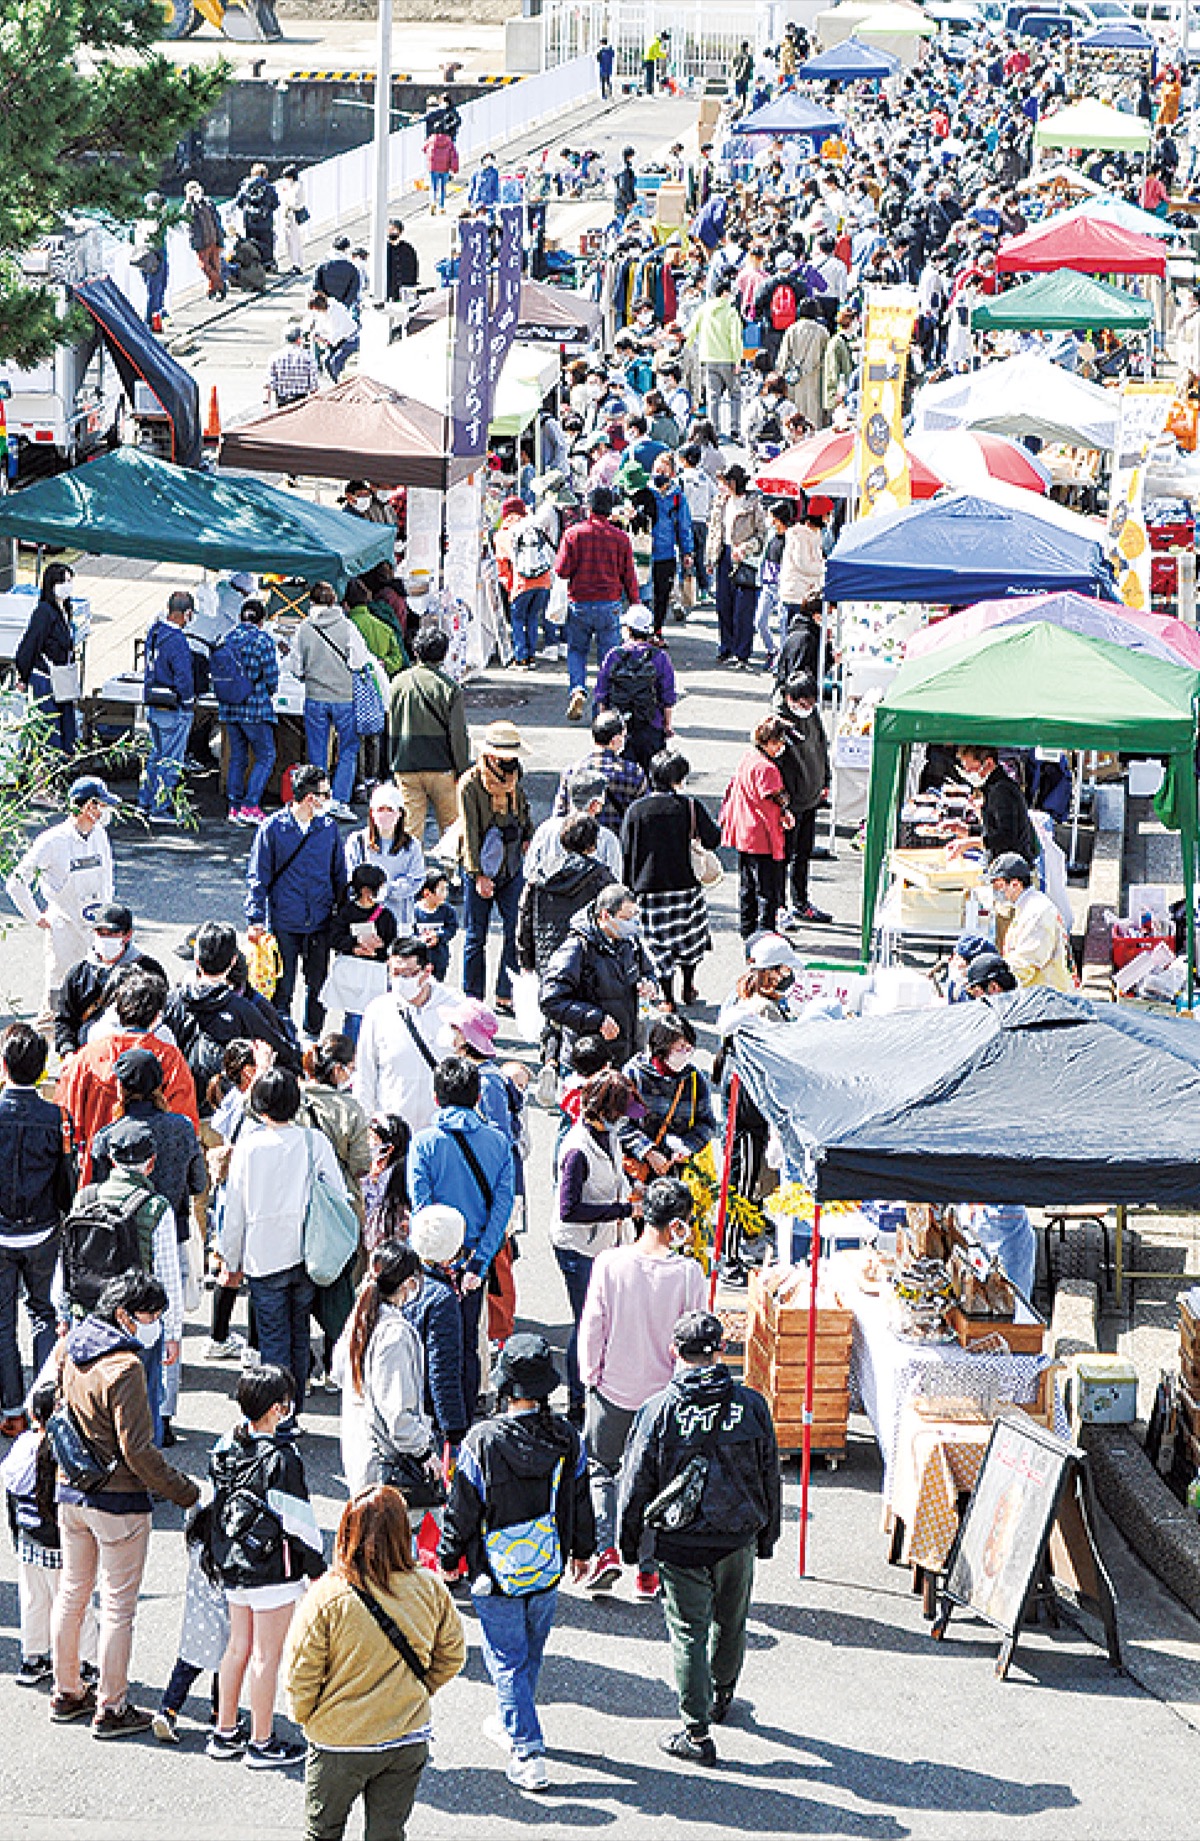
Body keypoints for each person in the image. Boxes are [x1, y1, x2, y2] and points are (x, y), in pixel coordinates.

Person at [618, 1309, 781, 1766]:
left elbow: (635, 1484)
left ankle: (696, 1729)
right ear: (722, 1351)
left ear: (675, 1352)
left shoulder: (659, 1410)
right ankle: (722, 1695)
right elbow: (770, 1474)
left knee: (688, 1631)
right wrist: (767, 1535)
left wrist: (631, 1546)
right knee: (731, 1621)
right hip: (737, 1536)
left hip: (681, 1542)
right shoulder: (750, 1406)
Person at [438, 1333, 594, 1793]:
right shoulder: (566, 1436)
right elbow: (580, 1498)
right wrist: (583, 1551)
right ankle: (514, 1718)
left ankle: (526, 1750)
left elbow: (461, 1507)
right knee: (529, 1651)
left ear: (506, 1385)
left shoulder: (482, 1441)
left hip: (493, 1569)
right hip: (547, 1563)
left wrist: (450, 1558)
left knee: (505, 1658)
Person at [50, 1269, 200, 1735]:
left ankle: (67, 1690)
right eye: (149, 1315)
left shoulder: (71, 1346)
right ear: (123, 1315)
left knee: (72, 1593)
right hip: (118, 1504)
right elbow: (138, 1450)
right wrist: (187, 1492)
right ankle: (111, 1706)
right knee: (117, 1607)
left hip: (69, 1491)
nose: (153, 1323)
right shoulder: (126, 1368)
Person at [286, 1485, 464, 1838]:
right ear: (403, 1532)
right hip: (406, 1737)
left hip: (340, 1740)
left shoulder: (328, 1595)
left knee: (322, 1832)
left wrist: (307, 1716)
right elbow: (453, 1654)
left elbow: (300, 1672)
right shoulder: (429, 1587)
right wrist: (417, 1690)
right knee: (388, 1834)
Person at [579, 1176, 706, 1597]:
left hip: (613, 1386)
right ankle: (648, 1569)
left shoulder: (609, 1263)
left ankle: (605, 1551)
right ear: (679, 1225)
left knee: (602, 1469)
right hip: (666, 1396)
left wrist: (590, 1375)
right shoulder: (689, 1273)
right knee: (658, 1479)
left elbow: (593, 1325)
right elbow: (698, 1335)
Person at [207, 1363, 325, 1767]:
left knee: (237, 1647)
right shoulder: (282, 1459)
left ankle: (224, 1731)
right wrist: (318, 1570)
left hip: (232, 1562)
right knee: (266, 1656)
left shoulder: (225, 1446)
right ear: (277, 1409)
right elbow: (300, 1525)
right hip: (272, 1568)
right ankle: (261, 1741)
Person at [219, 1067, 349, 1411]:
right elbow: (338, 1193)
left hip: (263, 1256)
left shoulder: (249, 1147)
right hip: (307, 1252)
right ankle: (294, 1409)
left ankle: (280, 1415)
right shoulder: (313, 1140)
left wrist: (229, 1258)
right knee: (299, 1334)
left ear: (260, 1106)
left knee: (274, 1340)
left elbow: (234, 1211)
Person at [90, 1059, 205, 1443]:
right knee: (167, 1322)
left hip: (116, 1246)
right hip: (169, 1228)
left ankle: (120, 1418)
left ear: (121, 1088)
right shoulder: (182, 1129)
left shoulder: (108, 1136)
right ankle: (162, 1417)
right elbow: (198, 1181)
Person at [408, 1056, 515, 1418]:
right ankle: (465, 1420)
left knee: (429, 1343)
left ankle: (431, 1417)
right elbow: (501, 1212)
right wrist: (479, 1261)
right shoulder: (499, 1143)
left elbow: (421, 1208)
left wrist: (438, 1256)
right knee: (468, 1342)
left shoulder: (423, 1143)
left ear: (436, 1098)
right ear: (477, 1097)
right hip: (474, 1263)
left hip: (432, 1264)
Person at [549, 1068, 636, 1421]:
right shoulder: (576, 1150)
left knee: (602, 1317)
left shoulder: (608, 1137)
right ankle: (577, 1398)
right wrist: (624, 1209)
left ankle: (594, 1386)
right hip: (578, 1247)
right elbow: (569, 1210)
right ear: (605, 1112)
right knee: (586, 1320)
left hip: (605, 1242)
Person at [56, 970, 200, 1183]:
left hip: (97, 1179)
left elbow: (65, 1117)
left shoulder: (88, 1057)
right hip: (156, 1181)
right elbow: (185, 1125)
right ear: (156, 1016)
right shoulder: (169, 1059)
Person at [0, 1024, 72, 1437]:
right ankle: (43, 1406)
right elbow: (65, 1178)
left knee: (3, 1320)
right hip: (43, 1230)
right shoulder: (53, 1116)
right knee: (44, 1313)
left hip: (3, 1232)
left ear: (4, 1066)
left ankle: (11, 1409)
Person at [2, 1381, 98, 1688]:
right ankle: (82, 1662)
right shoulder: (64, 1449)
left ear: (32, 1415)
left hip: (28, 1540)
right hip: (59, 1543)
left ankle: (33, 1658)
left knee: (33, 1601)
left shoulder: (21, 1446)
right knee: (73, 1604)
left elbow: (11, 1492)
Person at [245, 763, 349, 1042]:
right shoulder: (272, 829)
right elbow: (258, 876)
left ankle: (312, 1036)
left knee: (318, 985)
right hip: (285, 921)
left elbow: (339, 876)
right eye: (325, 794)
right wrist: (255, 918)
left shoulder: (328, 829)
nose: (329, 799)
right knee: (283, 986)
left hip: (320, 921)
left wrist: (344, 916)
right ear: (310, 797)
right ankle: (283, 1038)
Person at [333, 1240, 435, 1498]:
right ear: (409, 1283)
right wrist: (424, 1451)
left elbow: (338, 1371)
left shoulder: (361, 1318)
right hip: (386, 1463)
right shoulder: (394, 1334)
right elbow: (398, 1413)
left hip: (360, 1449)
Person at [164, 921, 297, 1118]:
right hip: (227, 1110)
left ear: (197, 960)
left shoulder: (172, 1001)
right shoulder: (243, 1009)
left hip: (178, 1104)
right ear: (233, 961)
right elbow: (282, 1050)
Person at [620, 751, 719, 1009]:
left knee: (657, 947)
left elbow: (627, 852)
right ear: (679, 779)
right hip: (685, 887)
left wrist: (628, 889)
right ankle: (688, 985)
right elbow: (714, 839)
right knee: (690, 941)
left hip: (649, 890)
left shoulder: (636, 810)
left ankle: (667, 997)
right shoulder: (689, 806)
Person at [540, 882, 658, 1072]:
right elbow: (551, 1000)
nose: (632, 923)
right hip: (588, 1058)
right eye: (626, 918)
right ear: (605, 915)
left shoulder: (631, 942)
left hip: (628, 1052)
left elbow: (649, 971)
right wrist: (596, 1019)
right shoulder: (577, 948)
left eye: (634, 916)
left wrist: (650, 984)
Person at [458, 719, 533, 1014]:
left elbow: (523, 810)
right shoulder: (471, 783)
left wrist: (528, 835)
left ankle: (506, 992)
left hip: (512, 864)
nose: (510, 760)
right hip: (483, 866)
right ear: (490, 755)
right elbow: (469, 831)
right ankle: (472, 997)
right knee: (476, 936)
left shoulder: (515, 775)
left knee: (515, 930)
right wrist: (478, 874)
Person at [555, 485, 641, 723]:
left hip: (580, 602)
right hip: (610, 603)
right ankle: (602, 704)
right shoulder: (621, 538)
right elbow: (629, 576)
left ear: (588, 507)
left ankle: (578, 688)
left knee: (577, 650)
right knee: (609, 656)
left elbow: (561, 570)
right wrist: (635, 604)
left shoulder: (573, 534)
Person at [354, 935, 460, 1128]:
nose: (401, 980)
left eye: (408, 973)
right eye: (395, 973)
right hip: (392, 1127)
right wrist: (365, 1121)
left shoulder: (455, 1007)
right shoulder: (378, 1011)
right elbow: (365, 1072)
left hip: (440, 1128)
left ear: (427, 971)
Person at [289, 582, 369, 823]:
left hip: (315, 697)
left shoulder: (304, 628)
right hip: (344, 698)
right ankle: (340, 800)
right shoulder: (347, 627)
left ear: (311, 602)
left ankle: (317, 798)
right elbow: (358, 661)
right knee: (348, 749)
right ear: (335, 601)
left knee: (317, 750)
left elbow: (295, 666)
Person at [388, 626, 471, 843]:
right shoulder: (449, 688)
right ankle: (453, 874)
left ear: (415, 652)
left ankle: (410, 870)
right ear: (443, 654)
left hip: (406, 763)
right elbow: (458, 733)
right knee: (452, 830)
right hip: (441, 766)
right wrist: (462, 768)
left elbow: (390, 723)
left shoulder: (398, 683)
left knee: (410, 828)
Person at [55, 904, 162, 1058]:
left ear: (128, 935)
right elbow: (65, 1020)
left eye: (112, 933)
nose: (105, 939)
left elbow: (161, 1016)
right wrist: (68, 1052)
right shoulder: (78, 975)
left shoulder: (149, 971)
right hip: (88, 1057)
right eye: (100, 932)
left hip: (137, 1057)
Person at [722, 717, 793, 940]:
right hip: (762, 833)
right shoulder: (766, 768)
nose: (781, 746)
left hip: (745, 831)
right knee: (767, 890)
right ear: (770, 741)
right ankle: (765, 933)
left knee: (747, 887)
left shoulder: (748, 758)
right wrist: (786, 811)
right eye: (779, 742)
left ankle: (747, 930)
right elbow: (776, 796)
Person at [215, 595, 280, 827]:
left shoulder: (227, 638)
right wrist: (268, 691)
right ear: (262, 620)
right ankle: (251, 805)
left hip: (229, 707)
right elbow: (272, 677)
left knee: (237, 758)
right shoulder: (263, 641)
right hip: (255, 708)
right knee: (266, 756)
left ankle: (234, 806)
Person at [774, 671, 832, 928]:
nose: (807, 709)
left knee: (803, 853)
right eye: (803, 703)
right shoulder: (778, 723)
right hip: (790, 801)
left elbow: (821, 745)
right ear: (789, 698)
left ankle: (801, 901)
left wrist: (826, 780)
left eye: (811, 704)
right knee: (783, 856)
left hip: (812, 795)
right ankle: (780, 906)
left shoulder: (812, 716)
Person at [594, 606, 677, 776]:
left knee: (619, 776)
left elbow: (602, 693)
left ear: (627, 629)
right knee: (651, 776)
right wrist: (667, 725)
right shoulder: (660, 657)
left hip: (619, 728)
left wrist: (605, 723)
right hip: (651, 725)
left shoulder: (613, 655)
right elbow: (667, 697)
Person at [139, 590, 197, 824]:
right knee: (171, 760)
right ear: (187, 614)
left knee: (155, 757)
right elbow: (183, 675)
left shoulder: (155, 632)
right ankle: (160, 807)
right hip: (173, 707)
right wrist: (189, 700)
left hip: (154, 701)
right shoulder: (177, 640)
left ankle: (146, 801)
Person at [324, 865, 397, 1041]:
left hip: (373, 972)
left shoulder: (386, 916)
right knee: (355, 1017)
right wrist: (355, 945)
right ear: (366, 891)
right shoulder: (346, 912)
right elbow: (334, 938)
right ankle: (352, 1054)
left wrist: (378, 949)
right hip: (354, 973)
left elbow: (391, 942)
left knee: (370, 1017)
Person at [15, 561, 80, 755]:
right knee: (49, 732)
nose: (68, 586)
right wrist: (24, 677)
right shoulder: (44, 612)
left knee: (66, 730)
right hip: (46, 680)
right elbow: (29, 646)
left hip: (61, 680)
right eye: (64, 581)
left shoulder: (65, 612)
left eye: (70, 581)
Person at [988, 854, 1075, 991]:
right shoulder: (1026, 906)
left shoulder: (1037, 912)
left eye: (999, 886)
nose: (996, 891)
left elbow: (1027, 962)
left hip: (1048, 996)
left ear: (1015, 884)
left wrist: (999, 984)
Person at [709, 465, 767, 668]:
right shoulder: (720, 503)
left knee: (743, 606)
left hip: (745, 559)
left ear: (733, 483)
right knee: (723, 604)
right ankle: (726, 647)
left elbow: (762, 535)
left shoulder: (754, 505)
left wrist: (746, 547)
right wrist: (710, 557)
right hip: (723, 554)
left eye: (725, 482)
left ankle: (742, 651)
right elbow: (714, 530)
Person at [553, 710, 648, 834]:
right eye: (623, 736)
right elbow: (643, 815)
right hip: (617, 844)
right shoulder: (633, 773)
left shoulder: (572, 772)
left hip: (579, 843)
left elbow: (559, 815)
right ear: (615, 740)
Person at [347, 784, 425, 932]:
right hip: (365, 920)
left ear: (400, 813)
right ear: (371, 813)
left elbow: (416, 879)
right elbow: (351, 876)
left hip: (400, 922)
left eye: (390, 810)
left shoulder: (412, 845)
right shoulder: (357, 841)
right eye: (380, 809)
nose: (385, 814)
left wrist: (388, 889)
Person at [948, 746, 1040, 867]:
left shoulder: (1002, 791)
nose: (968, 774)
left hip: (1012, 868)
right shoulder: (992, 788)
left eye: (971, 769)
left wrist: (969, 843)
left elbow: (1006, 837)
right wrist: (966, 830)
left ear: (989, 763)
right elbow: (993, 830)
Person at [684, 280, 744, 439]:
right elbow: (735, 338)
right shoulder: (731, 312)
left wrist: (686, 348)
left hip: (708, 358)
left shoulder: (703, 309)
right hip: (728, 359)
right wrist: (738, 360)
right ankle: (735, 428)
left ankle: (714, 430)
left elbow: (691, 331)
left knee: (713, 396)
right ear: (725, 293)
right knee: (735, 395)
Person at [413, 869, 458, 982]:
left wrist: (438, 936)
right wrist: (419, 940)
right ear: (427, 893)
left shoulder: (447, 910)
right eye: (441, 890)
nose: (445, 893)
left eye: (446, 889)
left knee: (437, 984)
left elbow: (452, 928)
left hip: (440, 958)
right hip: (419, 959)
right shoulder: (415, 911)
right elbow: (410, 931)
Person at [184, 179, 225, 299]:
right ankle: (220, 284)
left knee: (215, 265)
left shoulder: (208, 202)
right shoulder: (189, 206)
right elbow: (186, 216)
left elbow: (217, 218)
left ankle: (212, 289)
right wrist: (189, 201)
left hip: (214, 238)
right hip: (201, 241)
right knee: (204, 266)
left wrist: (221, 235)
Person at [264, 324, 320, 409]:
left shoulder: (275, 357)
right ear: (299, 339)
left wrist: (266, 403)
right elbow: (313, 385)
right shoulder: (308, 356)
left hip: (282, 401)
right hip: (301, 401)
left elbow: (269, 383)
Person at [236, 162, 280, 267]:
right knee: (267, 244)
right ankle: (267, 264)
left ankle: (255, 265)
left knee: (252, 244)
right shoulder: (268, 187)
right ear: (264, 174)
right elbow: (276, 203)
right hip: (265, 222)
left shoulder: (245, 186)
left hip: (249, 222)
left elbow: (239, 203)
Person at [314, 236, 361, 312]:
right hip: (345, 310)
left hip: (325, 308)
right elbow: (355, 289)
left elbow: (316, 286)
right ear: (346, 249)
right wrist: (345, 305)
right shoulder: (352, 268)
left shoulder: (322, 265)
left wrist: (326, 302)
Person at [277, 164, 307, 273]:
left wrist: (286, 199)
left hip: (292, 217)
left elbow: (295, 203)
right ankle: (297, 263)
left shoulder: (297, 187)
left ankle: (296, 264)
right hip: (291, 216)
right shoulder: (296, 185)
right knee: (294, 240)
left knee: (292, 241)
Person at [423, 125, 458, 214]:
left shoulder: (431, 139)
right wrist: (454, 168)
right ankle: (441, 206)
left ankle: (433, 202)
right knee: (443, 188)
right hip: (444, 167)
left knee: (433, 187)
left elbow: (424, 149)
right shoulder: (449, 141)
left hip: (433, 167)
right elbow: (454, 155)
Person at [385, 219, 419, 299]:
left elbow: (413, 268)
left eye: (393, 229)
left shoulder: (408, 249)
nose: (391, 232)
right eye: (389, 230)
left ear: (400, 231)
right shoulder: (385, 249)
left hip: (405, 289)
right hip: (389, 290)